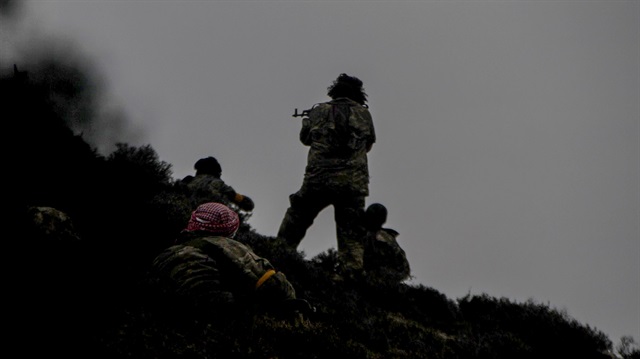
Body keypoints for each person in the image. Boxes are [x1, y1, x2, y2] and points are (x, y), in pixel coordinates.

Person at [276, 73, 376, 278]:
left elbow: (305, 139)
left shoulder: (318, 111)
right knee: (351, 232)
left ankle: (278, 256)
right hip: (352, 183)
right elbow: (368, 145)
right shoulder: (364, 115)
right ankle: (352, 275)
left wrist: (306, 122)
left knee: (297, 217)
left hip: (318, 178)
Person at [149, 202, 311, 323]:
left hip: (167, 322)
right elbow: (272, 284)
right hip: (220, 317)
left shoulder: (167, 253)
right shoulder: (227, 245)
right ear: (229, 231)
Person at [181, 156, 254, 212]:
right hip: (208, 215)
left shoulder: (189, 180)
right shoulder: (219, 184)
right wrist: (244, 200)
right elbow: (243, 201)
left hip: (184, 211)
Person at [362, 203, 411, 285]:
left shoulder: (385, 240)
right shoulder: (362, 234)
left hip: (381, 283)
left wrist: (386, 279)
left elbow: (403, 268)